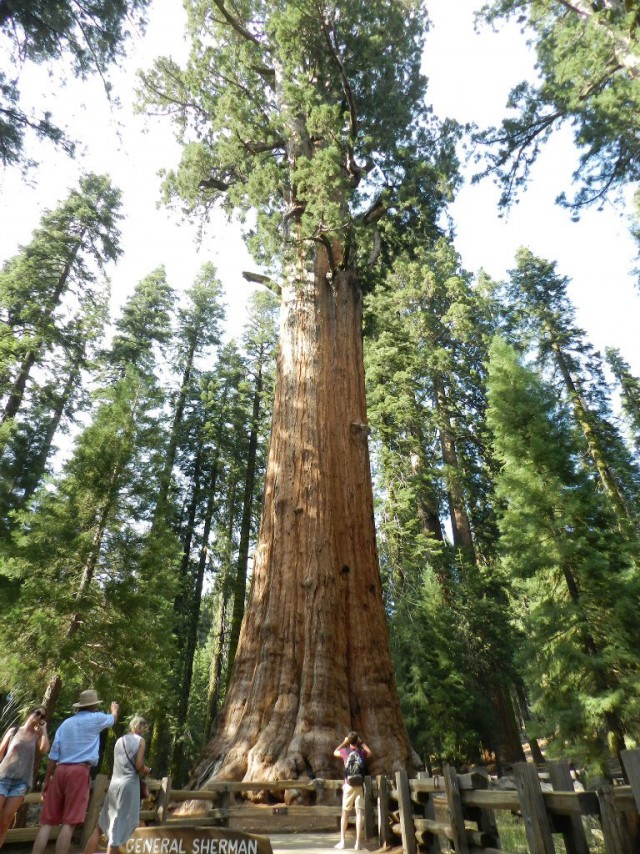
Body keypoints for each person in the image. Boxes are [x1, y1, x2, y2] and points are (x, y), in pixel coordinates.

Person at [31, 690, 119, 854]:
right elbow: (112, 720)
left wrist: (48, 778)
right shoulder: (96, 718)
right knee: (69, 822)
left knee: (47, 822)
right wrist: (114, 710)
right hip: (79, 771)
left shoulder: (66, 724)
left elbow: (54, 754)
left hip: (60, 770)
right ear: (93, 705)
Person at [83, 716, 150, 854]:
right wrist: (146, 770)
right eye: (144, 728)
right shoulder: (140, 741)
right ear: (142, 728)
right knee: (117, 831)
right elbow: (138, 765)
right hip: (128, 785)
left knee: (101, 826)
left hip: (115, 783)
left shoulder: (120, 740)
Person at [0, 707, 50, 847]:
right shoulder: (13, 731)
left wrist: (44, 730)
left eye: (42, 716)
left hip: (21, 783)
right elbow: (0, 752)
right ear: (30, 713)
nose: (39, 717)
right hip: (3, 777)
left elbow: (44, 749)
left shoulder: (37, 736)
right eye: (37, 713)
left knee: (5, 822)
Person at [333, 731, 371, 850]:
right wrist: (362, 743)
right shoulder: (361, 752)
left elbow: (334, 752)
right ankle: (358, 843)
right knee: (359, 813)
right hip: (359, 785)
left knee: (345, 813)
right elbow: (370, 753)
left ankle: (342, 841)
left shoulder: (345, 752)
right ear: (357, 740)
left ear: (349, 741)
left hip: (348, 785)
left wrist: (344, 743)